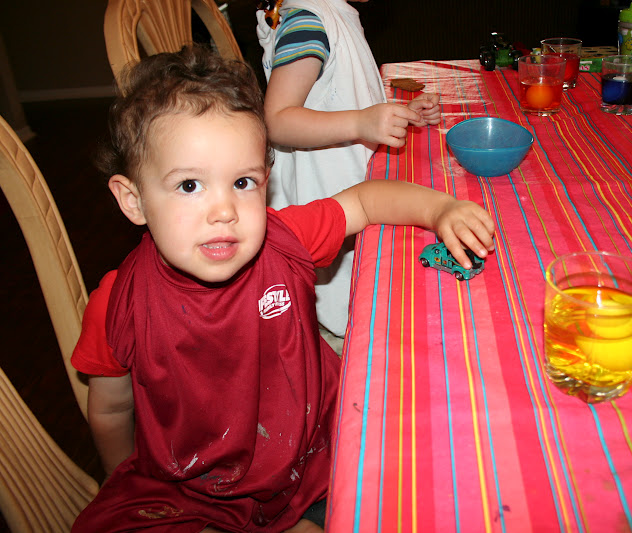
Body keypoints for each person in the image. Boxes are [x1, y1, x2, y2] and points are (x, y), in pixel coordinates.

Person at [70, 45, 493, 533]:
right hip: (192, 486)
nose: (224, 211)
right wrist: (122, 482)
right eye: (190, 186)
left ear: (265, 182)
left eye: (242, 183)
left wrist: (441, 209)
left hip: (313, 454)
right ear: (133, 200)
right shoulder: (117, 306)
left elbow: (364, 201)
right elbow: (112, 409)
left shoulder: (284, 241)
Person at [256, 0, 442, 345]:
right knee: (348, 295)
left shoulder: (335, 14)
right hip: (326, 188)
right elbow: (276, 120)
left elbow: (337, 96)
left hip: (350, 177)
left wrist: (396, 114)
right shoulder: (308, 23)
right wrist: (360, 123)